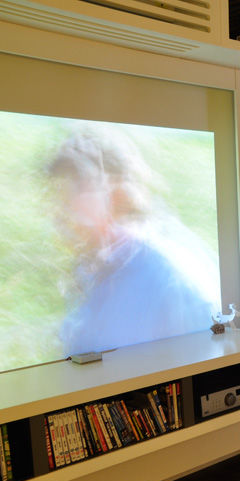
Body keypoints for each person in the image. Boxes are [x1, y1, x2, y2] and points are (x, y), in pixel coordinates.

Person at [48, 125, 220, 356]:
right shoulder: (92, 272)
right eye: (59, 192)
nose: (62, 207)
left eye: (75, 189)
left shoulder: (172, 281)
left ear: (115, 191)